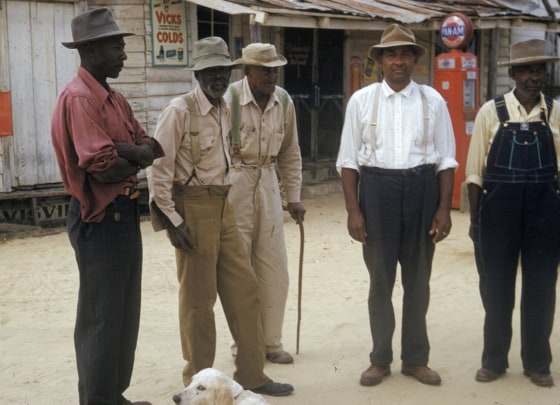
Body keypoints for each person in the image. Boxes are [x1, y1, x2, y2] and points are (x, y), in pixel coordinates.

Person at [146, 36, 294, 397]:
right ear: (198, 74)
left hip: (224, 203)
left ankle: (252, 374)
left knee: (246, 291)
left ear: (230, 72)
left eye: (222, 71)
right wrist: (173, 221)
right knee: (199, 302)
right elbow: (158, 170)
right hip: (192, 207)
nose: (216, 77)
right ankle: (198, 384)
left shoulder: (228, 108)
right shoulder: (179, 111)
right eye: (209, 71)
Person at [50, 8, 164, 405]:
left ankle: (112, 395)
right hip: (100, 218)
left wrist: (128, 151)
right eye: (117, 46)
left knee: (122, 313)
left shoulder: (113, 99)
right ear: (92, 50)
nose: (124, 55)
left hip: (125, 214)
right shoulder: (80, 98)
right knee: (101, 317)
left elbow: (151, 146)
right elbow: (102, 168)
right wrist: (130, 154)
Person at [336, 24, 457, 387]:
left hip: (422, 191)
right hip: (377, 192)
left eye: (406, 54)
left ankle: (416, 359)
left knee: (418, 282)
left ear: (416, 61)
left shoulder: (433, 100)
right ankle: (380, 359)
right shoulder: (362, 100)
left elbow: (446, 160)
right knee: (381, 282)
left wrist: (444, 209)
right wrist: (354, 210)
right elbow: (348, 161)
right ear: (380, 60)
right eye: (392, 54)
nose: (399, 61)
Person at [465, 39, 560, 387]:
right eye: (528, 70)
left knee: (541, 286)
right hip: (498, 210)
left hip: (545, 209)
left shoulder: (554, 111)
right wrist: (477, 222)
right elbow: (475, 172)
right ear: (514, 74)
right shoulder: (491, 111)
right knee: (497, 286)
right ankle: (494, 360)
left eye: (540, 70)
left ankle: (537, 363)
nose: (535, 77)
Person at [224, 42, 306, 365]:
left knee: (275, 268)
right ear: (248, 71)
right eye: (264, 70)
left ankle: (272, 343)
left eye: (275, 69)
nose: (271, 75)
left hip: (269, 181)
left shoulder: (283, 101)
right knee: (239, 270)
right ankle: (244, 345)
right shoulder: (228, 98)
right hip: (236, 182)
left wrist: (295, 197)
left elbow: (291, 152)